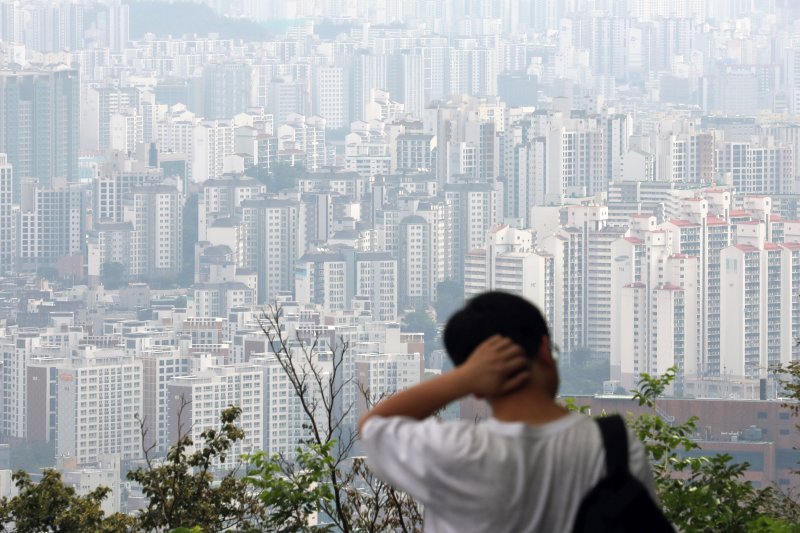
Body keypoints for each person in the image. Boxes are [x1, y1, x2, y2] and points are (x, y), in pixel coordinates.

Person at [359, 291, 658, 532]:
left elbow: (374, 426)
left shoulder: (451, 452)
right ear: (544, 349)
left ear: (477, 384)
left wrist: (462, 379)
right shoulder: (615, 448)